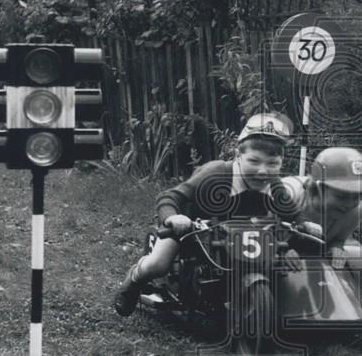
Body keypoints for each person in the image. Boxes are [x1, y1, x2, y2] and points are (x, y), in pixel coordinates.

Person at [113, 112, 300, 316]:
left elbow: (293, 216)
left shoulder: (274, 185)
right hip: (192, 228)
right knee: (158, 264)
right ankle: (133, 280)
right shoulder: (216, 173)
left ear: (281, 163)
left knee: (276, 264)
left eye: (272, 164)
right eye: (254, 161)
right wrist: (173, 217)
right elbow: (171, 196)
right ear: (238, 155)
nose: (263, 171)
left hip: (239, 236)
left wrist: (296, 239)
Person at [281, 147, 362, 271]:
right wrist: (280, 250)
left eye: (357, 197)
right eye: (341, 196)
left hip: (310, 265)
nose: (349, 204)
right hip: (268, 258)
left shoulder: (355, 211)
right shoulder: (287, 194)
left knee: (358, 256)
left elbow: (338, 239)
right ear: (319, 188)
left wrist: (336, 248)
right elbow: (257, 230)